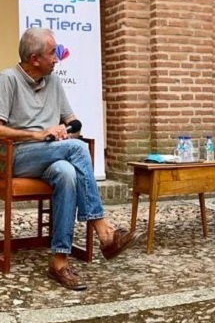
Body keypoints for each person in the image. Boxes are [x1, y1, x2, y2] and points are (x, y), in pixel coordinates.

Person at [0, 28, 139, 290]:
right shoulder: (7, 80)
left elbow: (73, 121)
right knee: (76, 150)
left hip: (52, 154)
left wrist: (67, 130)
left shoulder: (54, 82)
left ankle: (59, 261)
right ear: (34, 58)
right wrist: (39, 134)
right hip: (17, 155)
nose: (57, 58)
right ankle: (104, 230)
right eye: (53, 53)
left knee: (66, 171)